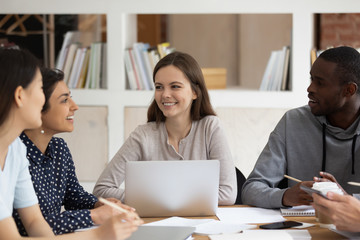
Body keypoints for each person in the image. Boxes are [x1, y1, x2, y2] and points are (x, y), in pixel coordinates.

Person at [0, 48, 141, 240]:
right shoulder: (19, 148)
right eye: (40, 89)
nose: (74, 106)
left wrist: (99, 210)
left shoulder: (14, 150)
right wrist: (98, 234)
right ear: (19, 96)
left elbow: (36, 224)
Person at [93, 51, 237, 205]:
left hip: (204, 223)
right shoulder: (143, 135)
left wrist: (159, 197)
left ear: (195, 92)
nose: (165, 95)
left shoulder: (211, 127)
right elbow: (101, 189)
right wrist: (158, 198)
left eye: (175, 86)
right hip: (155, 224)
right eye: (159, 87)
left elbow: (228, 193)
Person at [242, 46, 360, 209]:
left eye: (320, 83)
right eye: (311, 79)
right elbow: (251, 189)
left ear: (349, 90)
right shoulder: (292, 122)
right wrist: (284, 196)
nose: (310, 89)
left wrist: (345, 201)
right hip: (300, 230)